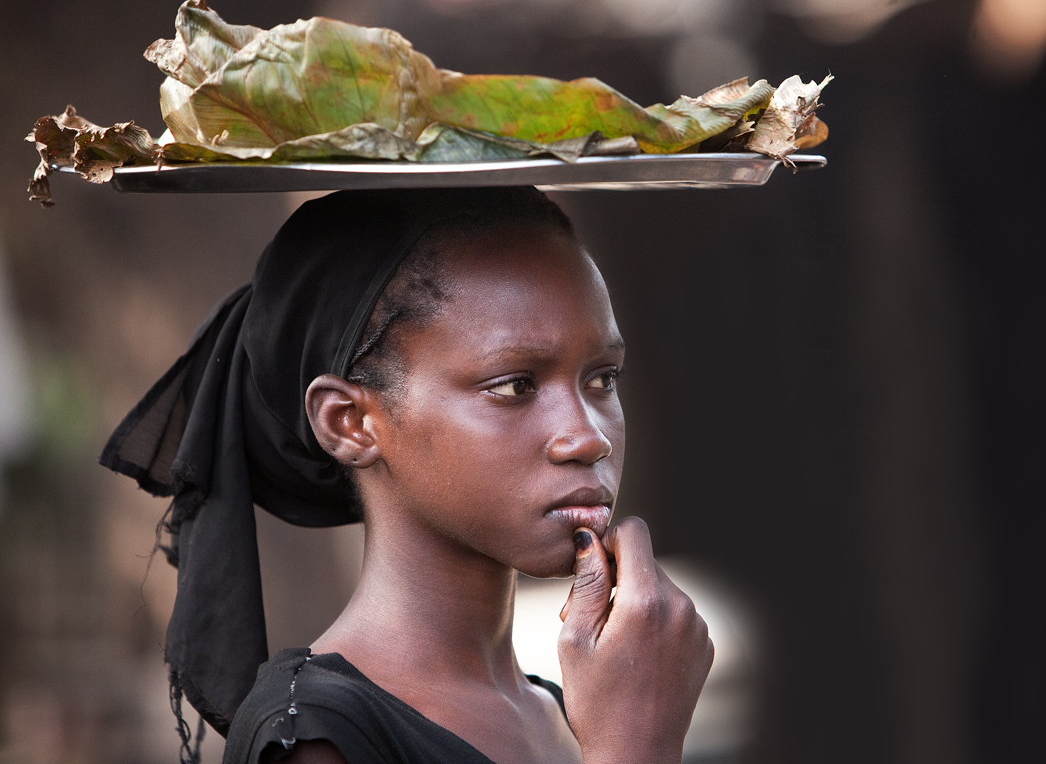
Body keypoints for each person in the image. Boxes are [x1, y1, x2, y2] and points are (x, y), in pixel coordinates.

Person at [101, 187, 713, 764]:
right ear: (349, 423)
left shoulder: (572, 709)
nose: (588, 436)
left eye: (602, 378)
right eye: (514, 386)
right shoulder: (320, 736)